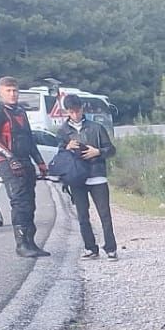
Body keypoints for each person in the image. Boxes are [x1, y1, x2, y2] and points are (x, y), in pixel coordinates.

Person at [0, 76, 49, 258]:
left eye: (15, 91)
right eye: (8, 91)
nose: (12, 94)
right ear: (0, 92)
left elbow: (29, 139)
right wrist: (10, 158)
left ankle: (31, 242)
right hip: (8, 162)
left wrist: (40, 162)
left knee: (30, 203)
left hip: (26, 160)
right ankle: (21, 245)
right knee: (19, 203)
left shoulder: (20, 110)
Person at [55, 93, 118, 259]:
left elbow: (111, 150)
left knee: (104, 214)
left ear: (82, 108)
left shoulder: (96, 128)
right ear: (67, 111)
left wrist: (97, 151)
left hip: (97, 176)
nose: (75, 114)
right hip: (77, 178)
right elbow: (60, 156)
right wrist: (66, 147)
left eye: (77, 110)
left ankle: (111, 248)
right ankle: (90, 247)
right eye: (71, 111)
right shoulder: (62, 131)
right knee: (82, 215)